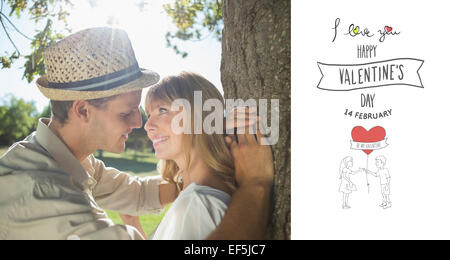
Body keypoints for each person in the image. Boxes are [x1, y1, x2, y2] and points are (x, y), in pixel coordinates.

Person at [0, 27, 274, 240]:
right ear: (83, 111)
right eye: (126, 112)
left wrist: (199, 173)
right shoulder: (42, 192)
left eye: (160, 111)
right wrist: (256, 184)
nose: (139, 122)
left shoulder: (66, 161)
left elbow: (133, 192)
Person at [139, 72, 270, 239]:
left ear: (199, 117)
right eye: (149, 115)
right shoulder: (192, 199)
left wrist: (256, 183)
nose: (147, 125)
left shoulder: (199, 204)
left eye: (162, 110)